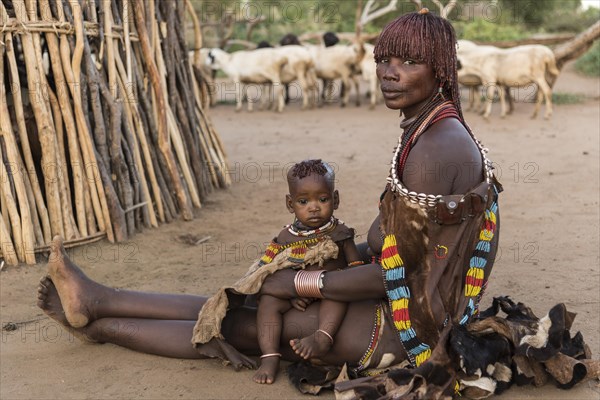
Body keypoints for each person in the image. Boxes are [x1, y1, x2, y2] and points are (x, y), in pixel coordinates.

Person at [37, 9, 501, 395]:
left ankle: (95, 324)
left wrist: (302, 282)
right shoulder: (433, 129)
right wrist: (312, 271)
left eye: (407, 62)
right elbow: (408, 255)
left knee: (237, 324)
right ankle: (100, 300)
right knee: (245, 302)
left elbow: (391, 271)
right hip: (408, 304)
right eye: (384, 59)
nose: (387, 72)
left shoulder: (437, 147)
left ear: (439, 68)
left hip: (405, 331)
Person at [252, 159, 363, 384]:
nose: (313, 207)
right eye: (303, 201)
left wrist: (347, 285)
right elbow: (269, 269)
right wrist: (290, 295)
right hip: (296, 291)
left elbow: (355, 269)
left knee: (339, 295)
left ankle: (323, 337)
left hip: (329, 290)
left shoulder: (340, 233)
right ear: (290, 204)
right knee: (268, 303)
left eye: (322, 199)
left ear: (336, 199)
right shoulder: (285, 237)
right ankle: (270, 356)